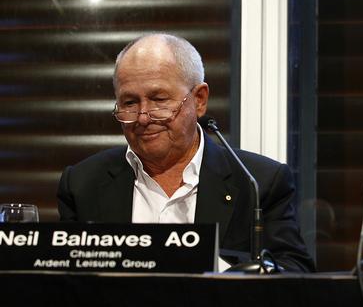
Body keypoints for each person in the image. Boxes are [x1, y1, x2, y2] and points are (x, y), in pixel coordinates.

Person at [57, 33, 315, 272]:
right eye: (130, 102)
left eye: (159, 100)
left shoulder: (257, 183)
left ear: (199, 100)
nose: (143, 117)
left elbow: (294, 272)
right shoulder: (83, 184)